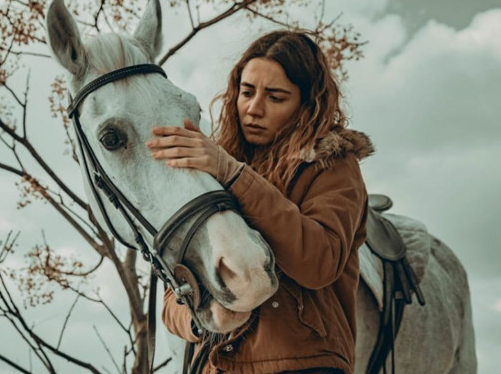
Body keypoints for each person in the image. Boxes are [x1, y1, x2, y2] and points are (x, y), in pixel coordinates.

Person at [146, 30, 374, 374]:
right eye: (247, 92)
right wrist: (200, 320)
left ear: (307, 103)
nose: (254, 109)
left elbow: (318, 261)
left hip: (303, 365)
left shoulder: (334, 165)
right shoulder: (215, 167)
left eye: (276, 97)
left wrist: (235, 175)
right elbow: (172, 292)